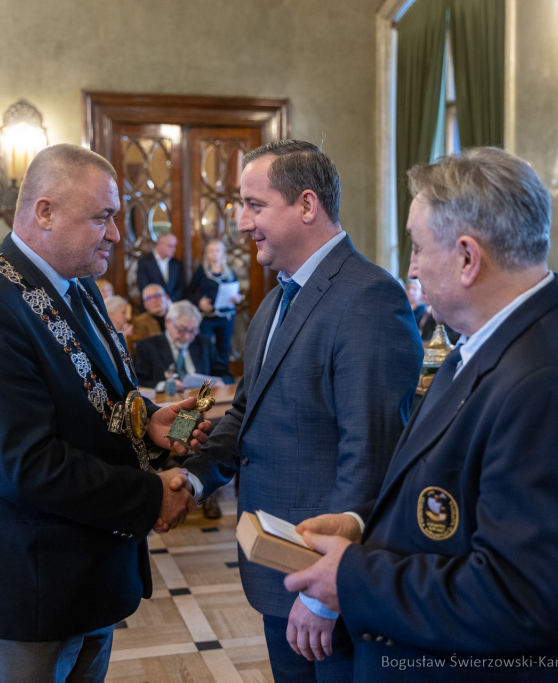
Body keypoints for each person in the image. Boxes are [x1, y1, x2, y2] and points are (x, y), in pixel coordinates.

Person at [284, 148, 558, 683]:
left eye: (419, 247)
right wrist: (361, 527)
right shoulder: (485, 342)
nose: (411, 268)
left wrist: (352, 578)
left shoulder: (550, 382)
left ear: (468, 258)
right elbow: (452, 499)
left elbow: (523, 598)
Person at [0, 143, 212, 683]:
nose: (116, 234)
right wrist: (151, 495)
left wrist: (149, 421)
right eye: (102, 217)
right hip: (27, 585)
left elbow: (92, 397)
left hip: (91, 574)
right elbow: (27, 465)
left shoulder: (77, 284)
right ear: (45, 212)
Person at [177, 140, 423, 683]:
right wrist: (191, 480)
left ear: (307, 205)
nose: (243, 223)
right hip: (275, 566)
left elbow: (371, 455)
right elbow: (247, 413)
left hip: (327, 588)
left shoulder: (369, 298)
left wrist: (324, 593)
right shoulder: (275, 300)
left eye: (255, 206)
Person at [133, 300, 234, 389]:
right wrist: (164, 385)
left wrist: (221, 383)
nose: (187, 336)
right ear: (167, 323)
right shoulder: (147, 346)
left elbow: (226, 375)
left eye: (193, 331)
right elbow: (139, 381)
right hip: (167, 401)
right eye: (181, 330)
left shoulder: (203, 343)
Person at [188, 239, 242, 369]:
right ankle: (207, 377)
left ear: (223, 253)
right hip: (207, 317)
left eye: (217, 250)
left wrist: (238, 298)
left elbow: (236, 292)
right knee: (205, 348)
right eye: (211, 251)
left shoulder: (230, 272)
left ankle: (223, 377)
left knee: (224, 348)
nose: (214, 253)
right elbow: (189, 292)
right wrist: (199, 301)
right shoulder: (202, 271)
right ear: (207, 253)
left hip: (226, 316)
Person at [137, 231, 185, 302]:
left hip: (172, 304)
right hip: (151, 304)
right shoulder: (144, 262)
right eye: (170, 246)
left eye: (175, 246)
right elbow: (143, 286)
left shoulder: (177, 263)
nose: (174, 249)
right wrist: (160, 301)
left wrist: (169, 301)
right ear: (160, 243)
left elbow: (181, 287)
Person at [129, 283, 170, 351]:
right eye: (149, 298)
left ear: (166, 297)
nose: (154, 300)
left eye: (157, 295)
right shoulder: (138, 322)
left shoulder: (176, 316)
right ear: (145, 304)